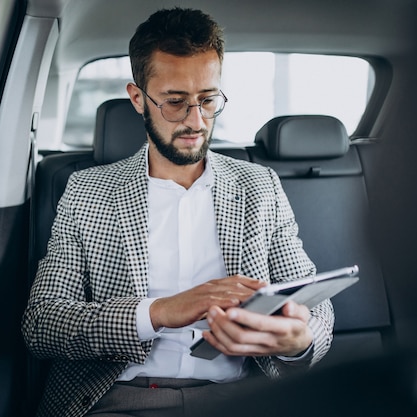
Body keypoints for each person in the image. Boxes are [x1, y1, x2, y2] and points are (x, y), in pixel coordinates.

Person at [22, 7, 334, 417]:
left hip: (244, 398)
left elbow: (315, 303)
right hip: (120, 399)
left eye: (208, 100)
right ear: (138, 98)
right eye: (175, 102)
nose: (196, 121)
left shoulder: (259, 187)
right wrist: (159, 312)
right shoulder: (88, 191)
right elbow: (43, 324)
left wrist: (300, 340)